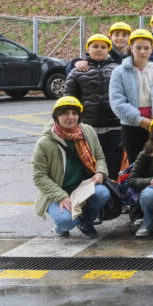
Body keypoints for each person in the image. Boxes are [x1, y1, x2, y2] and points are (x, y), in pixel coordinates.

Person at [31, 96, 111, 238]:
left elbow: (100, 158)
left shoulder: (88, 131)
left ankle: (86, 222)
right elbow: (39, 177)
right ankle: (61, 226)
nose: (71, 117)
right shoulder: (44, 143)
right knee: (66, 222)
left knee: (103, 193)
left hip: (82, 186)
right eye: (65, 113)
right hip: (57, 191)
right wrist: (61, 196)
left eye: (74, 113)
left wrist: (100, 172)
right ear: (56, 116)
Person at [109, 28, 153, 163]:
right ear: (131, 48)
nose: (142, 52)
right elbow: (117, 100)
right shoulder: (119, 72)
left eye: (146, 48)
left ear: (152, 49)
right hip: (131, 126)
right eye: (138, 47)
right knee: (135, 164)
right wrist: (139, 120)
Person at [64, 34, 122, 179]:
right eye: (95, 46)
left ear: (108, 50)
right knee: (89, 167)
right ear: (88, 49)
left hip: (114, 128)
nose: (99, 49)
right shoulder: (77, 71)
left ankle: (112, 191)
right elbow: (68, 101)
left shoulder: (118, 70)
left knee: (113, 167)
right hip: (88, 129)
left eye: (103, 47)